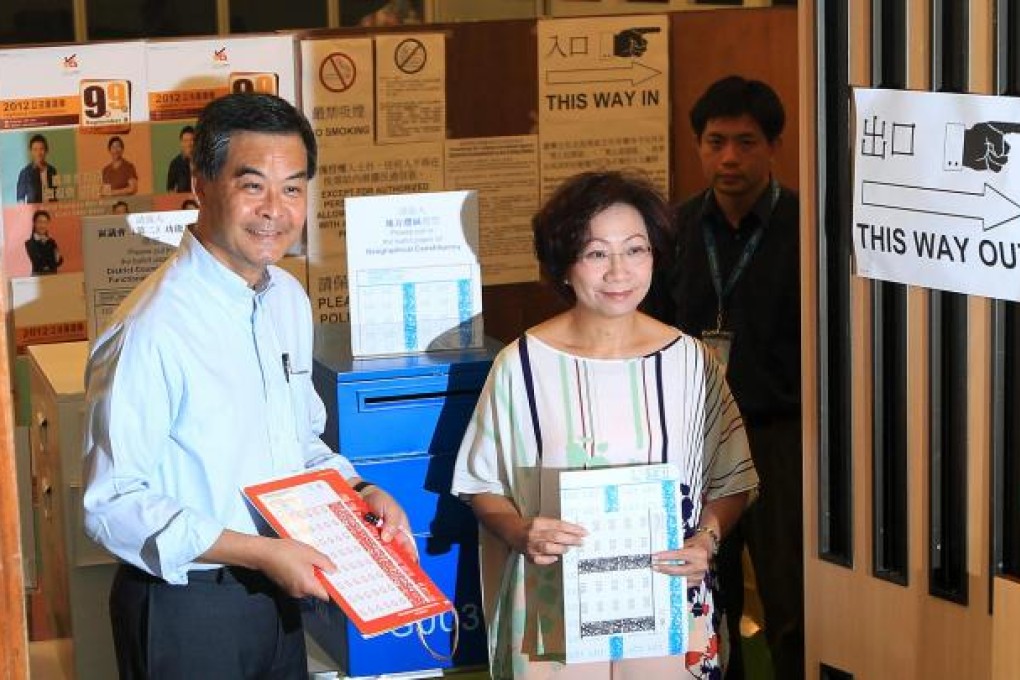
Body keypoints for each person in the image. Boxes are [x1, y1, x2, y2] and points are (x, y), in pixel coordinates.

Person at [83, 93, 412, 679]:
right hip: (186, 605)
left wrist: (360, 491)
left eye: (292, 188)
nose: (275, 210)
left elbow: (300, 440)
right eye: (253, 184)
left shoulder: (286, 298)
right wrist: (259, 551)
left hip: (276, 589)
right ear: (201, 182)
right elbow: (113, 502)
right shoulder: (151, 328)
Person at [452, 170, 758, 679]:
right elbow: (481, 484)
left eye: (635, 250)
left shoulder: (692, 363)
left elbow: (734, 478)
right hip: (554, 612)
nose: (619, 272)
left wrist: (706, 538)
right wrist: (520, 531)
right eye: (597, 253)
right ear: (564, 265)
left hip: (669, 605)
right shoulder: (522, 365)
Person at [650, 76, 802, 680]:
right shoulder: (672, 230)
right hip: (697, 436)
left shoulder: (808, 227)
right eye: (716, 142)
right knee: (709, 597)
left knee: (791, 598)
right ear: (698, 145)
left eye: (745, 141)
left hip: (782, 435)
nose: (730, 157)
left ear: (773, 146)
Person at [16, 133, 59, 203]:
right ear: (31, 152)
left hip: (50, 210)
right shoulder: (25, 173)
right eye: (35, 149)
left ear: (46, 150)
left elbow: (56, 194)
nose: (38, 153)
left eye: (41, 149)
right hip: (34, 211)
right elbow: (20, 198)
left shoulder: (52, 171)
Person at [24, 209, 62, 274]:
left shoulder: (51, 242)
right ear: (34, 223)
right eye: (40, 222)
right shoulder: (29, 243)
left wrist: (58, 258)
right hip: (37, 279)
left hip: (53, 278)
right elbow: (38, 263)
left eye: (45, 222)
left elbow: (58, 262)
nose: (42, 225)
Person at [166, 124, 195, 193]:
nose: (189, 144)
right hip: (181, 201)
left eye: (191, 140)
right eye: (185, 141)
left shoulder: (203, 162)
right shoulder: (175, 164)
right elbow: (170, 189)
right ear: (181, 143)